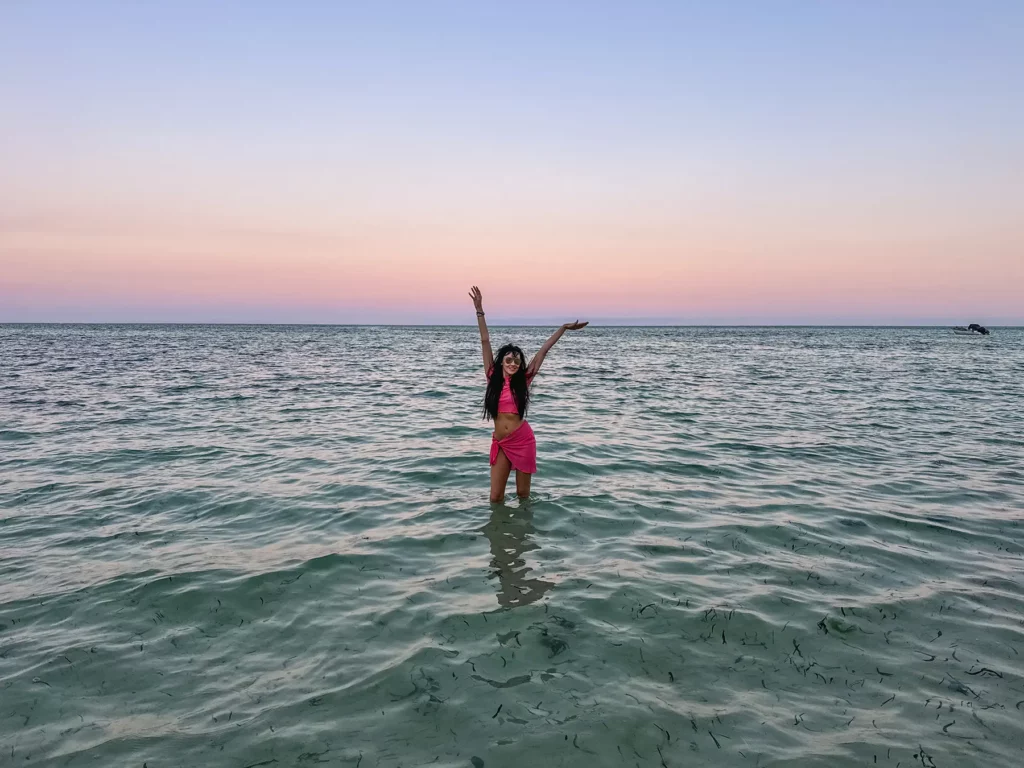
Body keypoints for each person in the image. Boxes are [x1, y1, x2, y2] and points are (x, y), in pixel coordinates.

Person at [469, 285, 588, 502]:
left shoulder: (524, 380)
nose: (513, 363)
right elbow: (485, 340)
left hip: (523, 441)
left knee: (523, 495)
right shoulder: (491, 375)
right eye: (509, 359)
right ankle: (499, 535)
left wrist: (563, 328)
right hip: (501, 442)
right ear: (501, 362)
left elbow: (544, 350)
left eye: (517, 360)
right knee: (495, 497)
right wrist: (479, 310)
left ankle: (523, 534)